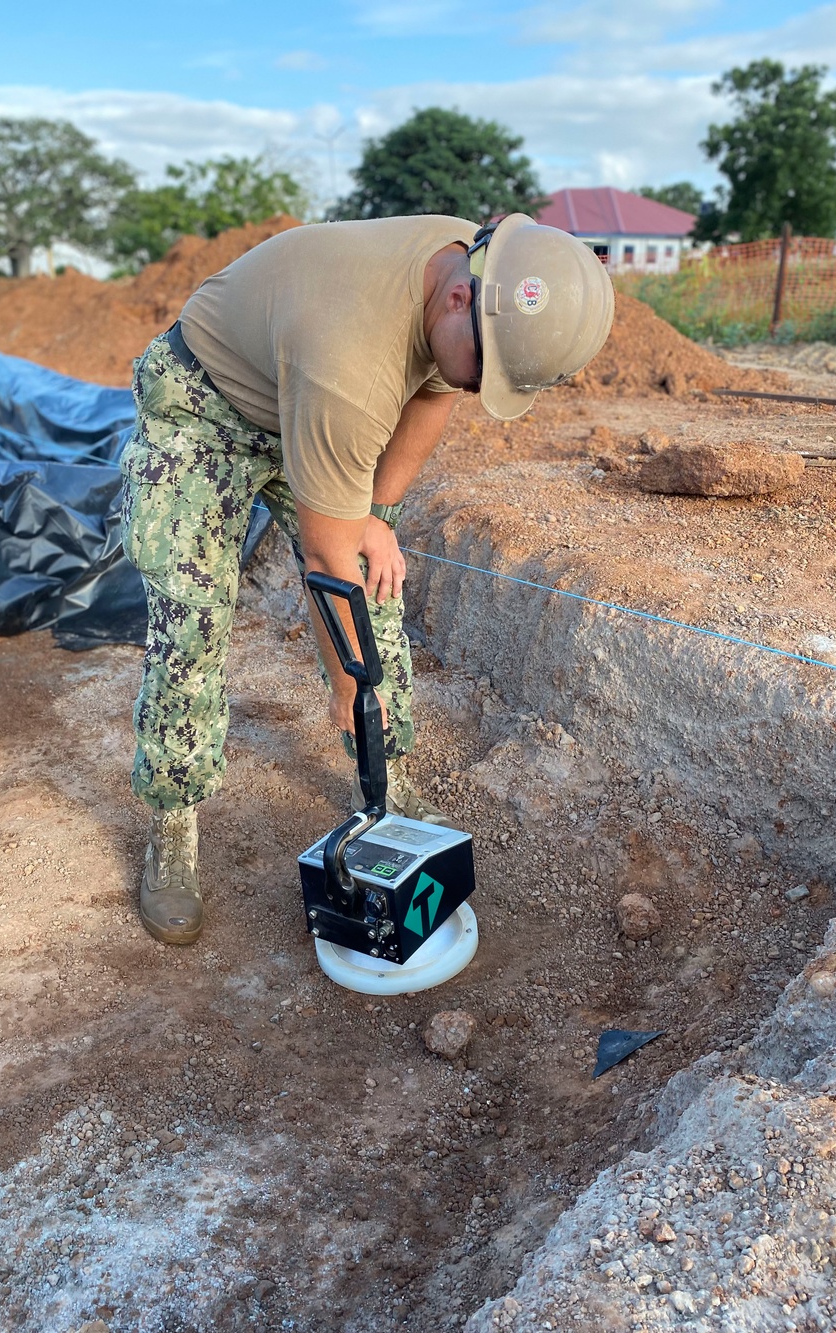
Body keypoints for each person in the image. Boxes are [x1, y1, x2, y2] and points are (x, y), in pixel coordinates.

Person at [119, 212, 614, 945]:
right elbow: (328, 566)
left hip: (306, 399)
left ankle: (389, 787)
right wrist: (350, 695)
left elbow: (438, 389)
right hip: (208, 404)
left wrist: (379, 512)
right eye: (485, 371)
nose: (480, 388)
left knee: (377, 591)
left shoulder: (476, 273)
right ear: (457, 301)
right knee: (192, 619)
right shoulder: (348, 366)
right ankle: (172, 817)